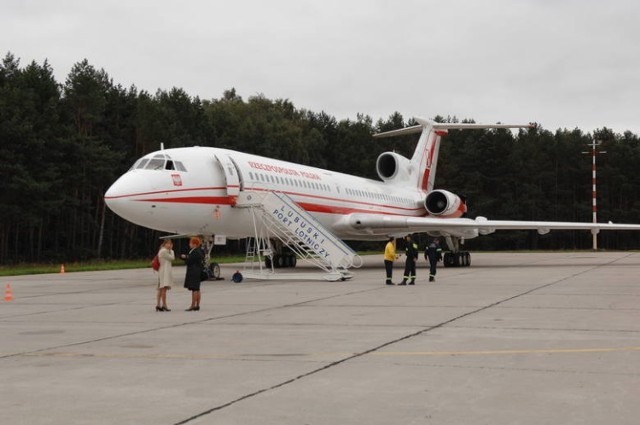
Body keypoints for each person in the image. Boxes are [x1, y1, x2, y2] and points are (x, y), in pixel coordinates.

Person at [180, 237, 204, 311]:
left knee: (194, 289)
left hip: (194, 272)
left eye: (190, 243)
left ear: (195, 244)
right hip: (197, 271)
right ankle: (197, 305)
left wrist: (184, 258)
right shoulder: (199, 251)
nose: (189, 244)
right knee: (197, 289)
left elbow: (190, 260)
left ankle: (193, 305)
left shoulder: (195, 251)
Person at [156, 239, 175, 311]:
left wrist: (171, 251)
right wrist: (171, 250)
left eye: (170, 244)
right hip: (164, 271)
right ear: (164, 244)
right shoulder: (163, 251)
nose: (169, 245)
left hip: (165, 271)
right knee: (163, 288)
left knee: (161, 288)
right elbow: (172, 258)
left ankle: (158, 304)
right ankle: (164, 304)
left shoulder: (167, 251)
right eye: (168, 244)